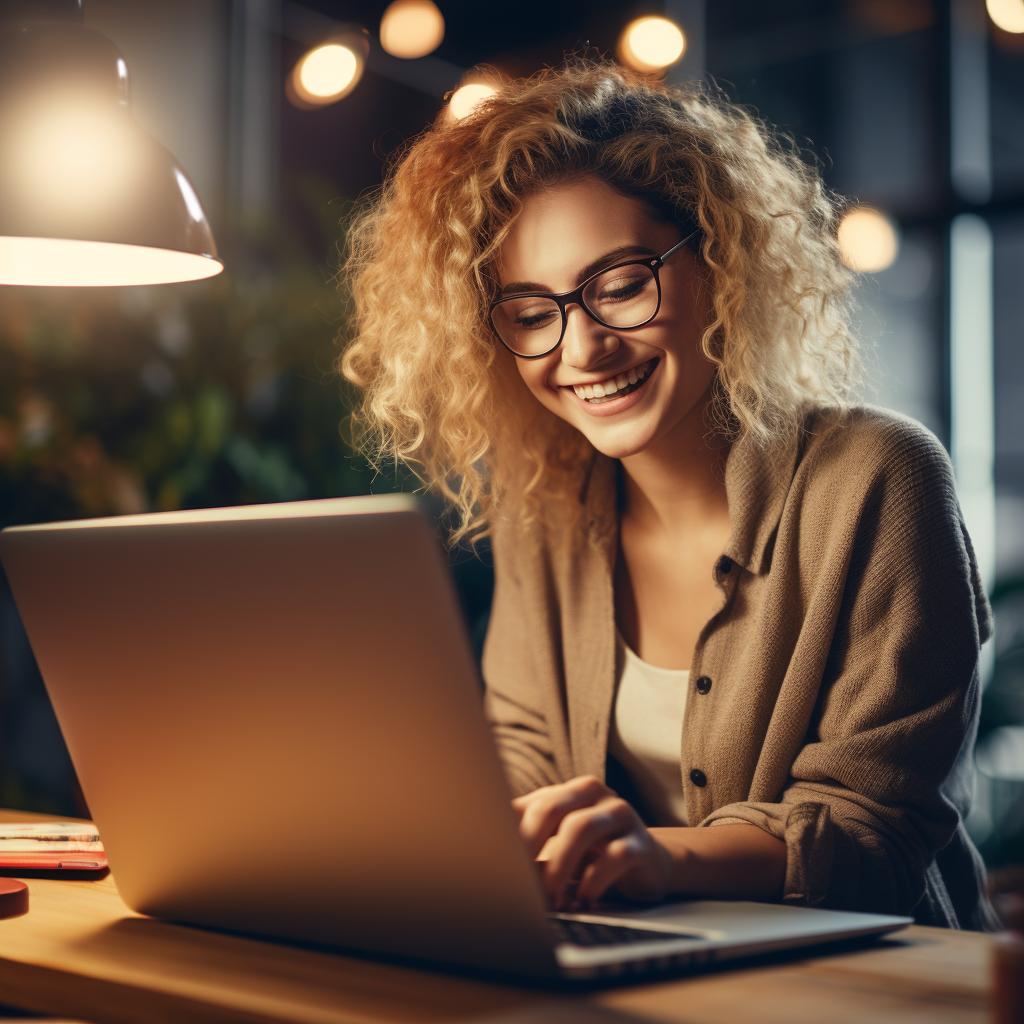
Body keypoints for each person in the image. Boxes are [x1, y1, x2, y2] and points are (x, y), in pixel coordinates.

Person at [339, 59, 997, 930]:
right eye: (532, 313)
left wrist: (658, 857)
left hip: (881, 983)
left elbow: (871, 832)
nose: (583, 350)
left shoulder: (880, 476)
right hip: (648, 969)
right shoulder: (549, 505)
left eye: (620, 285)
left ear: (718, 265)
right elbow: (525, 755)